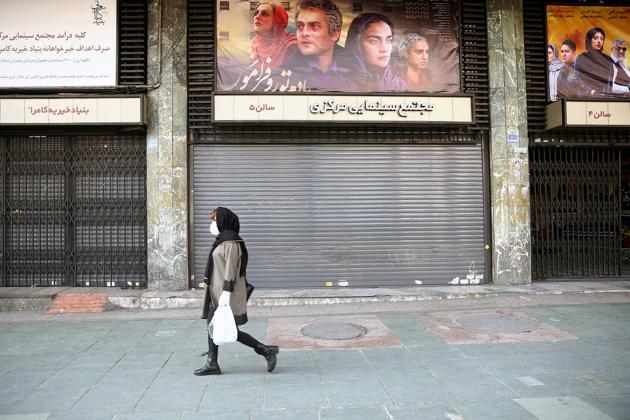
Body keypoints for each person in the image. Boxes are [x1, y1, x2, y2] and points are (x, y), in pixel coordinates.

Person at [194, 207, 279, 376]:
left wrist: (226, 293)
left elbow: (231, 270)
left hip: (224, 294)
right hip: (215, 292)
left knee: (224, 328)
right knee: (215, 327)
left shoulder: (231, 243)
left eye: (214, 220)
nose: (212, 224)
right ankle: (214, 362)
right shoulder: (221, 241)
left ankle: (265, 350)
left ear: (223, 222)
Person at [288, 0, 355, 91]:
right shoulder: (286, 74)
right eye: (300, 26)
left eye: (314, 26)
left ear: (335, 34)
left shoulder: (353, 75)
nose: (304, 33)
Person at [344, 13, 407, 92]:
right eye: (373, 41)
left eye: (388, 40)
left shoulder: (399, 85)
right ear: (356, 45)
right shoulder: (339, 83)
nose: (384, 49)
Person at [249, 1, 298, 69]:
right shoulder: (253, 43)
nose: (257, 17)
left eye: (265, 14)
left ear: (277, 20)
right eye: (256, 13)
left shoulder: (292, 45)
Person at [574, 27, 614, 96]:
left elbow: (609, 82)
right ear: (589, 40)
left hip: (603, 97)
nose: (599, 41)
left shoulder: (608, 60)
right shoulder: (581, 58)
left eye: (601, 39)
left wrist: (605, 95)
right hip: (585, 97)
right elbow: (577, 78)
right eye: (595, 38)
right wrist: (590, 91)